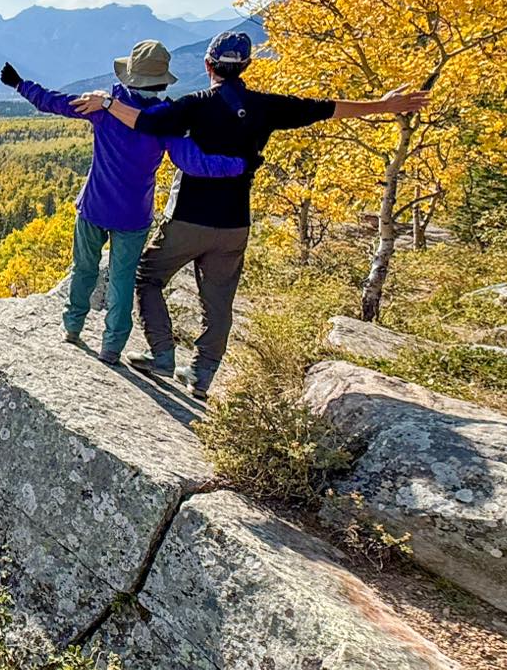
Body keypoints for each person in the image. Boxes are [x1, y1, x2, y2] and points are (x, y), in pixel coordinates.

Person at [71, 30, 430, 399]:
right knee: (219, 299)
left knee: (147, 276)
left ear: (208, 64)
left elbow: (145, 122)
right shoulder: (266, 106)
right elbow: (325, 108)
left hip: (189, 217)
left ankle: (162, 354)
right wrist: (383, 105)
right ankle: (201, 375)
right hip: (234, 224)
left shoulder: (194, 104)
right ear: (245, 66)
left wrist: (107, 104)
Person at [0, 40, 246, 365]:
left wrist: (20, 84)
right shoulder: (166, 120)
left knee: (84, 269)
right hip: (134, 215)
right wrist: (239, 165)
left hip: (94, 206)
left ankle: (72, 327)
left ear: (130, 77)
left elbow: (53, 102)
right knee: (122, 280)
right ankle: (111, 348)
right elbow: (193, 162)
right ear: (160, 81)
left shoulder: (105, 108)